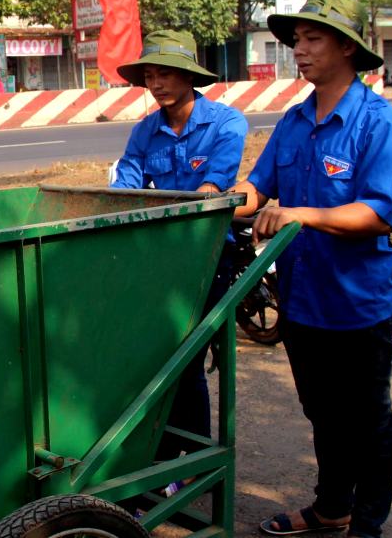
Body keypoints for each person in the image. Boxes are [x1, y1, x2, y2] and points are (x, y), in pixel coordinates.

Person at [231, 0, 392, 538]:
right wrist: (212, 200)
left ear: (347, 49)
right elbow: (258, 188)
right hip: (303, 301)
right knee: (323, 415)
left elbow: (379, 213)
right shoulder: (292, 121)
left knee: (369, 423)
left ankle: (369, 525)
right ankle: (332, 507)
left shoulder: (382, 125)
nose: (300, 50)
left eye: (313, 39)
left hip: (357, 304)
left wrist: (301, 215)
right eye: (297, 40)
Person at [111, 29, 247, 471]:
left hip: (208, 259)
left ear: (190, 76)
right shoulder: (144, 132)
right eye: (150, 75)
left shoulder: (227, 123)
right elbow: (124, 190)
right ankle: (166, 454)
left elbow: (213, 187)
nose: (157, 83)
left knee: (187, 361)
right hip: (156, 262)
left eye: (166, 73)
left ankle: (196, 457)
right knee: (157, 360)